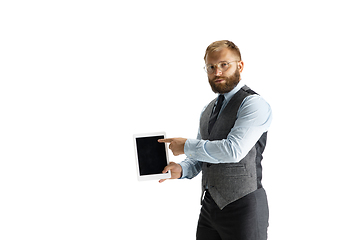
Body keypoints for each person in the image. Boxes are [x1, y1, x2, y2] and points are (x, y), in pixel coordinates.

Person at [158, 40, 272, 240]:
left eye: (223, 64)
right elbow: (203, 155)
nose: (217, 72)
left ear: (240, 65)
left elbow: (233, 150)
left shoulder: (254, 104)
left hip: (244, 206)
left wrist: (185, 145)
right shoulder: (207, 109)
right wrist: (182, 169)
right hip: (210, 207)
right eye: (211, 67)